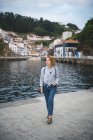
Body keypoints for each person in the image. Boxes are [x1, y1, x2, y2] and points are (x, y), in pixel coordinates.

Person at [40, 55, 59, 124]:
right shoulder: (43, 69)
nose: (46, 61)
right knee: (47, 102)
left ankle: (50, 116)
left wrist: (56, 82)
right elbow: (41, 79)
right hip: (45, 87)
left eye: (48, 60)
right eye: (46, 60)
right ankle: (49, 112)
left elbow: (57, 77)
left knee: (50, 100)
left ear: (51, 61)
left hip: (53, 87)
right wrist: (41, 87)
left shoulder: (55, 69)